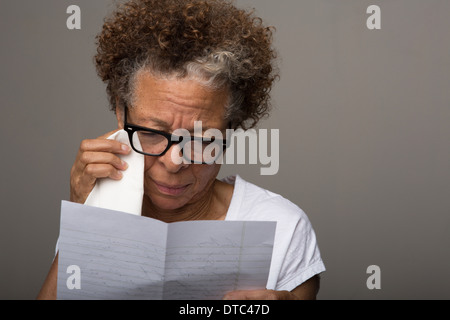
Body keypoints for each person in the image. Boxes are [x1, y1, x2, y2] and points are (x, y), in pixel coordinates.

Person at [37, 0, 325, 300]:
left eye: (201, 139)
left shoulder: (283, 227)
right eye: (151, 133)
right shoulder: (100, 206)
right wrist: (81, 224)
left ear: (231, 128)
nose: (174, 162)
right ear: (122, 117)